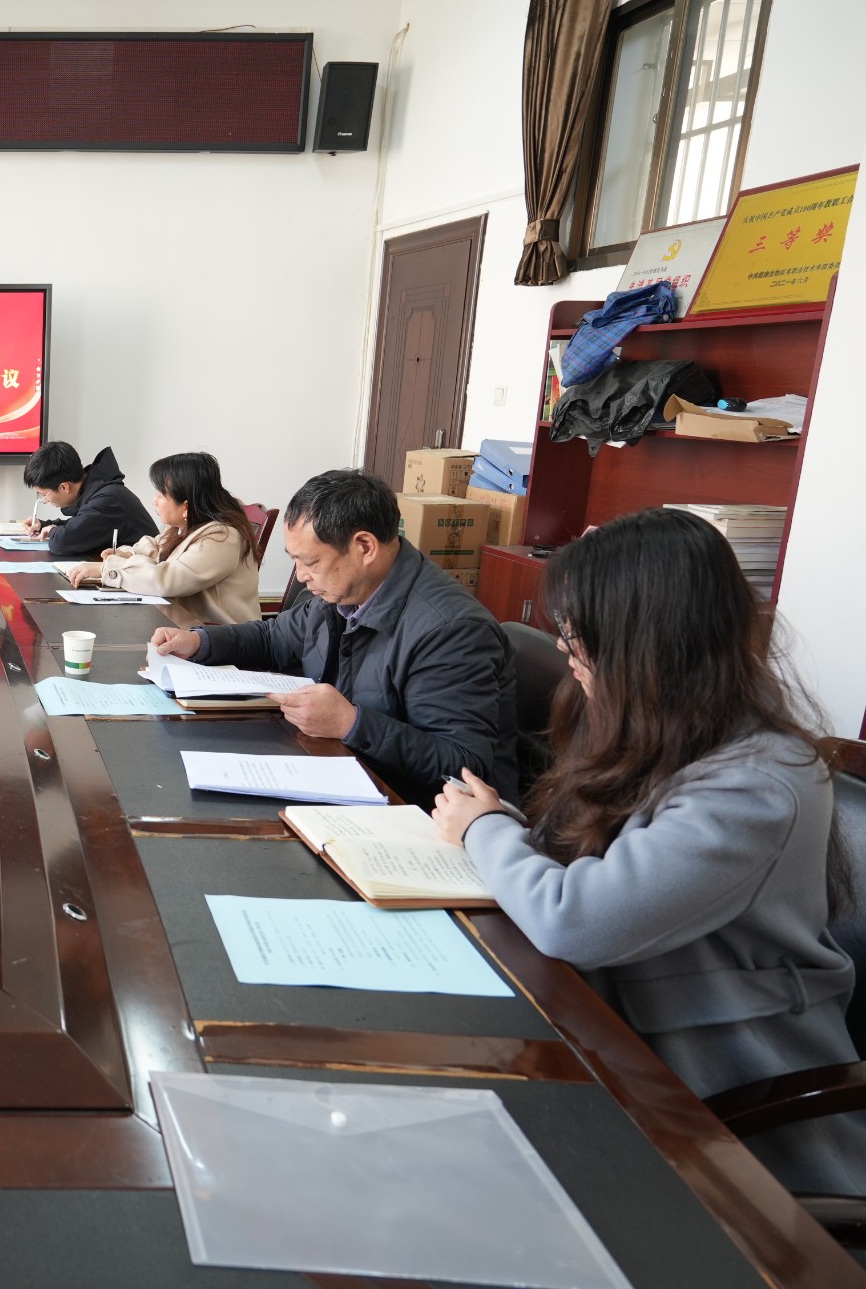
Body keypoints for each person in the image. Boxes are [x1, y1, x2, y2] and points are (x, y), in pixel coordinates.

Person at [432, 508, 864, 1198]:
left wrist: (485, 830)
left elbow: (576, 920)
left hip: (728, 1114)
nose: (567, 651)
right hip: (622, 1041)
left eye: (579, 636)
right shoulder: (662, 727)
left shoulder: (758, 784)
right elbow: (589, 867)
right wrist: (502, 825)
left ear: (649, 641)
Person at [150, 468, 515, 806]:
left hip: (411, 809)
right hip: (339, 770)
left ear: (365, 547)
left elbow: (463, 765)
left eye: (310, 562)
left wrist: (350, 723)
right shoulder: (343, 593)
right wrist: (200, 642)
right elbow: (274, 637)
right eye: (295, 560)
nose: (301, 576)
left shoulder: (448, 630)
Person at [66, 451, 261, 624]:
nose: (154, 500)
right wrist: (126, 555)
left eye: (160, 495)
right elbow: (156, 546)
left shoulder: (222, 538)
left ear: (185, 506)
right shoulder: (186, 525)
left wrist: (107, 568)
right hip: (186, 627)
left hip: (223, 640)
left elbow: (167, 580)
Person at [19, 441, 157, 559]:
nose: (45, 500)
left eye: (43, 495)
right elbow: (83, 525)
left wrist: (53, 531)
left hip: (142, 576)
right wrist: (44, 525)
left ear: (64, 487)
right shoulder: (97, 491)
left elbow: (61, 543)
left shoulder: (107, 500)